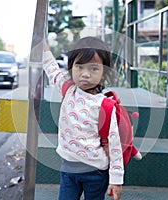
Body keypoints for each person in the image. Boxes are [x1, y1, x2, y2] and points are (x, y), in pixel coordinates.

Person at [43, 36, 123, 200]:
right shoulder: (68, 90)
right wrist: (41, 46)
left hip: (95, 171)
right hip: (68, 169)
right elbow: (51, 69)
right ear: (71, 67)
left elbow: (115, 144)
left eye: (93, 69)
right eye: (79, 67)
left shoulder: (104, 105)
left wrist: (116, 180)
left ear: (104, 73)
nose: (85, 74)